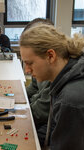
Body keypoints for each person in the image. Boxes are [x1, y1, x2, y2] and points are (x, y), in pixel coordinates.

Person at [20, 24, 84, 150]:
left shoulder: (73, 100)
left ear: (50, 56)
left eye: (30, 63)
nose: (27, 70)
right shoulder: (70, 77)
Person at [23, 18, 54, 146]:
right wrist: (19, 96)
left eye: (30, 63)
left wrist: (18, 114)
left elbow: (41, 111)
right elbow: (34, 88)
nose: (26, 70)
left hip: (48, 125)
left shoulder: (55, 74)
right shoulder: (42, 66)